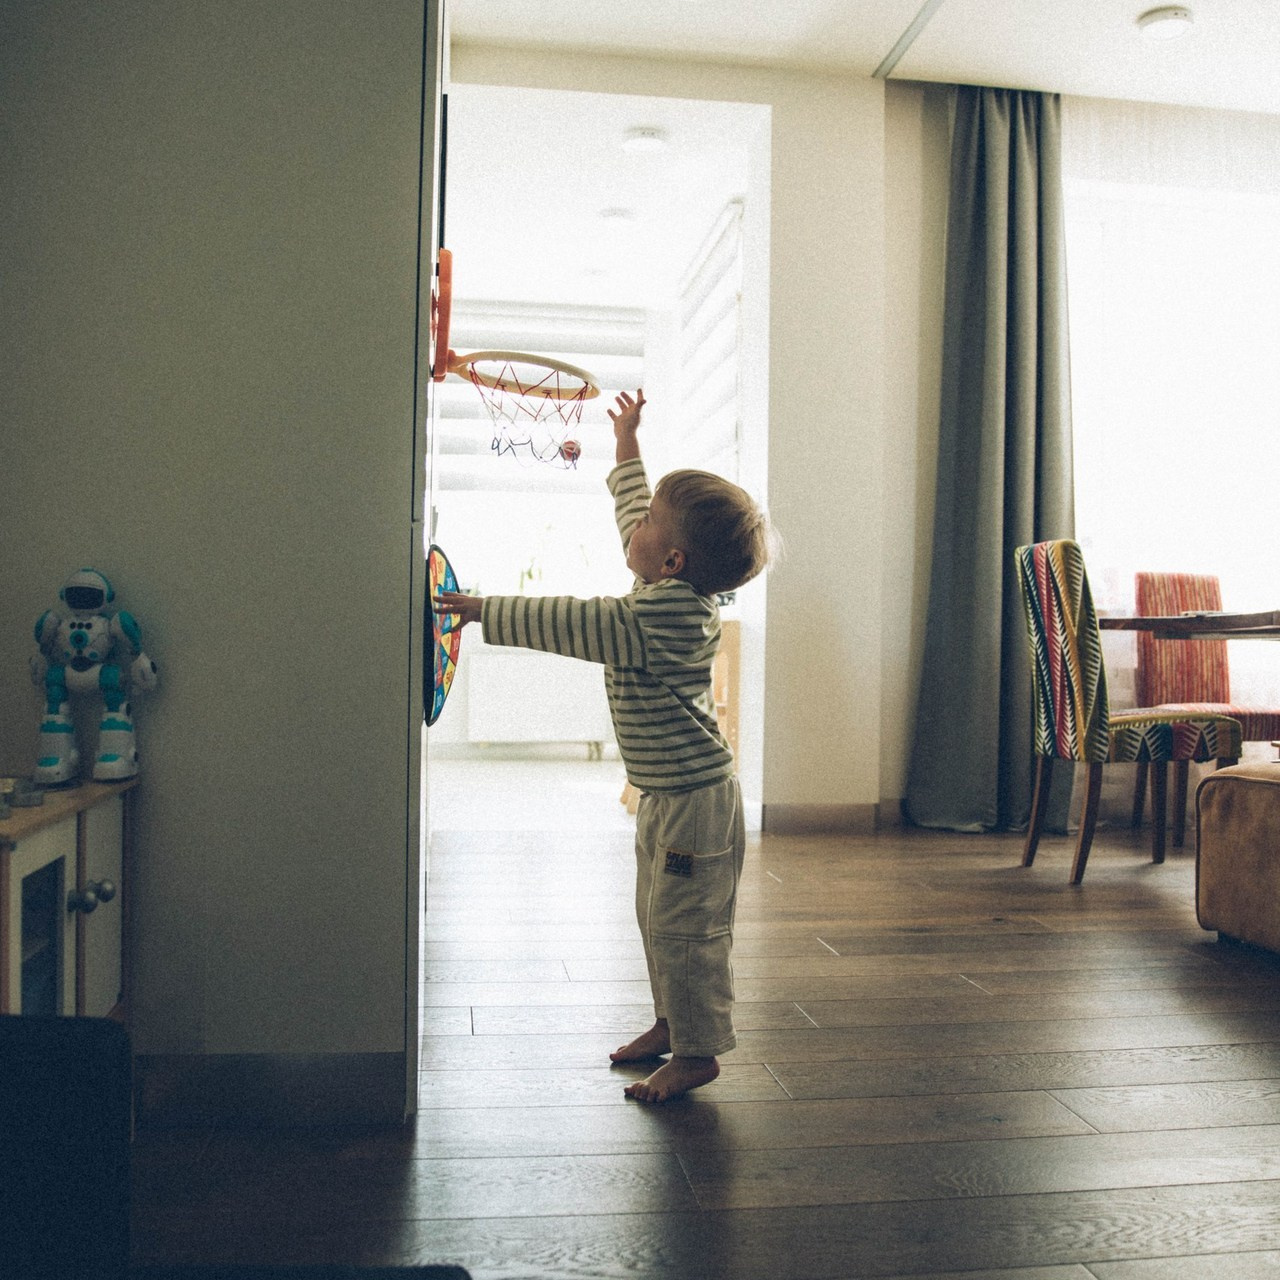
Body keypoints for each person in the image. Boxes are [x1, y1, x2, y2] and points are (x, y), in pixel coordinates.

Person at [433, 389, 774, 1102]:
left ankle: (699, 1052)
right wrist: (626, 444)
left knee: (688, 928)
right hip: (667, 794)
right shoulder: (664, 580)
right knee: (658, 918)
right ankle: (669, 1022)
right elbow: (634, 516)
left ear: (673, 559)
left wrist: (485, 609)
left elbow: (573, 622)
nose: (635, 527)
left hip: (694, 804)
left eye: (649, 523)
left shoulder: (658, 615)